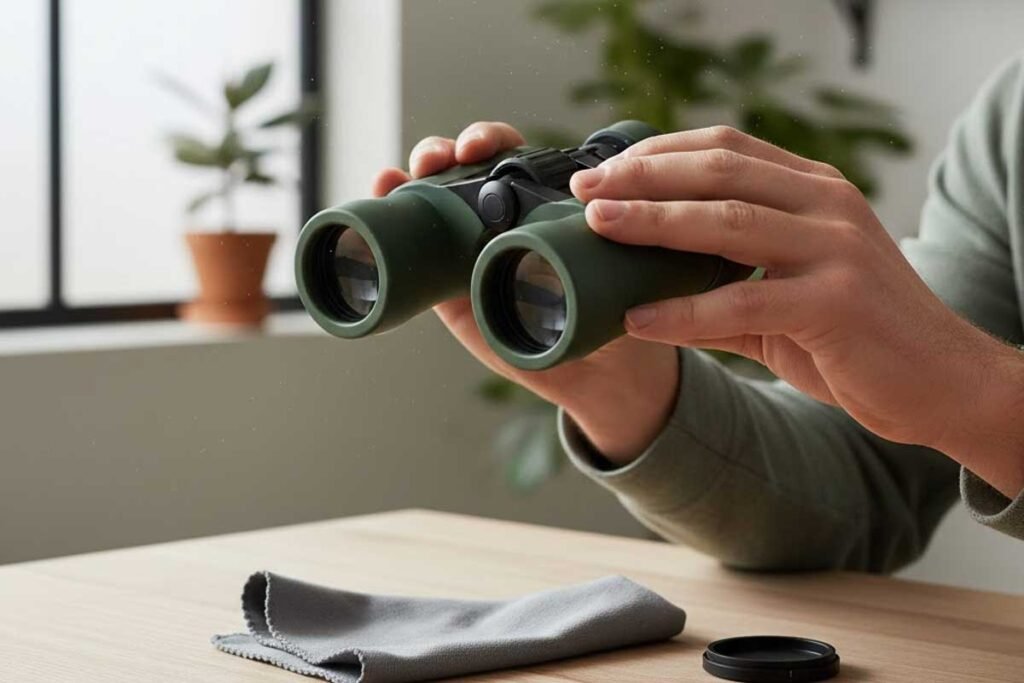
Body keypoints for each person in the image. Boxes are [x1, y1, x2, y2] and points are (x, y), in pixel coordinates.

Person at [372, 56, 1024, 572]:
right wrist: (628, 390)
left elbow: (960, 391)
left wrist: (981, 392)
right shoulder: (1011, 115)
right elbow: (865, 485)